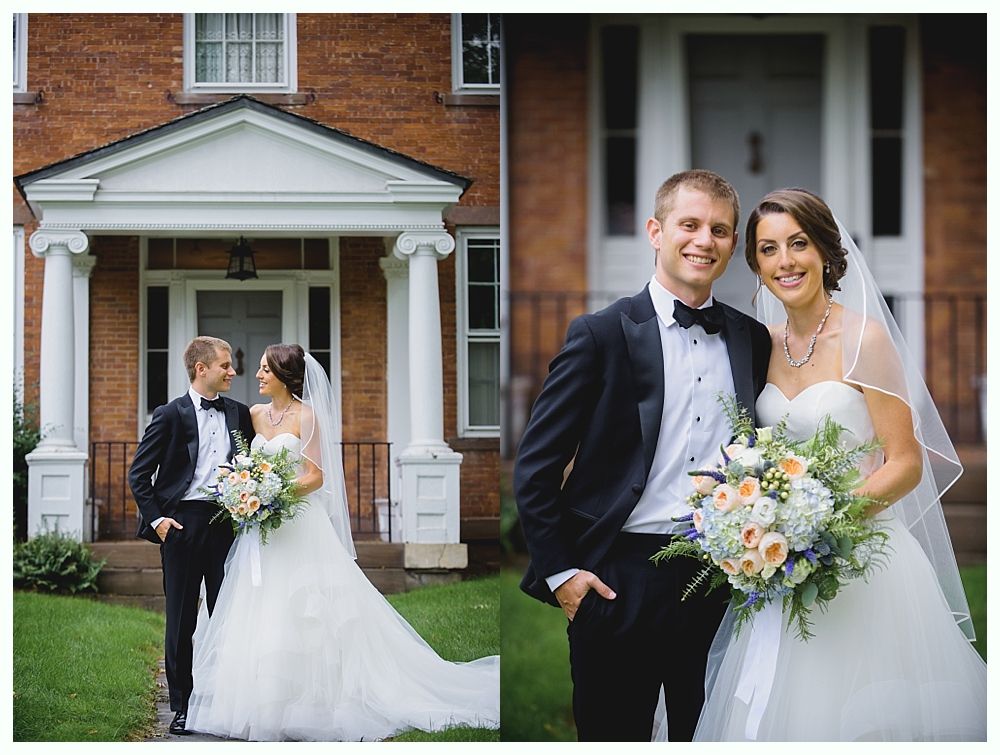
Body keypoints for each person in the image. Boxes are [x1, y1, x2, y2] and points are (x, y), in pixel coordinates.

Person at [691, 188, 986, 741]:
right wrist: (763, 522)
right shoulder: (761, 343)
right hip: (778, 563)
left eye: (798, 244)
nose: (786, 262)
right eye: (769, 249)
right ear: (756, 264)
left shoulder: (864, 340)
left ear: (826, 251)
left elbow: (905, 462)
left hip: (863, 562)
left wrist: (822, 526)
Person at [513, 169, 772, 741]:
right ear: (656, 231)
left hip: (719, 578)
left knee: (708, 736)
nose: (705, 240)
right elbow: (535, 466)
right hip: (615, 577)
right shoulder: (601, 334)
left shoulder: (752, 340)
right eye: (690, 224)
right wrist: (564, 576)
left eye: (721, 230)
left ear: (732, 246)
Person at [185, 344, 499, 741]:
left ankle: (314, 700)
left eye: (265, 370)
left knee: (306, 609)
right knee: (261, 607)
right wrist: (246, 490)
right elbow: (244, 462)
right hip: (260, 532)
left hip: (298, 524)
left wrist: (272, 493)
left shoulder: (307, 416)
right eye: (259, 370)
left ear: (284, 375)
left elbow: (316, 476)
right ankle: (262, 701)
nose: (258, 376)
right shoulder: (253, 415)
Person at [128, 336, 254, 736]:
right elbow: (139, 475)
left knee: (229, 617)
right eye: (224, 365)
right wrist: (159, 522)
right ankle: (182, 706)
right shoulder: (170, 414)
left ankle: (226, 701)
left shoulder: (239, 413)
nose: (232, 371)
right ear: (202, 369)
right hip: (181, 526)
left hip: (226, 525)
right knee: (181, 621)